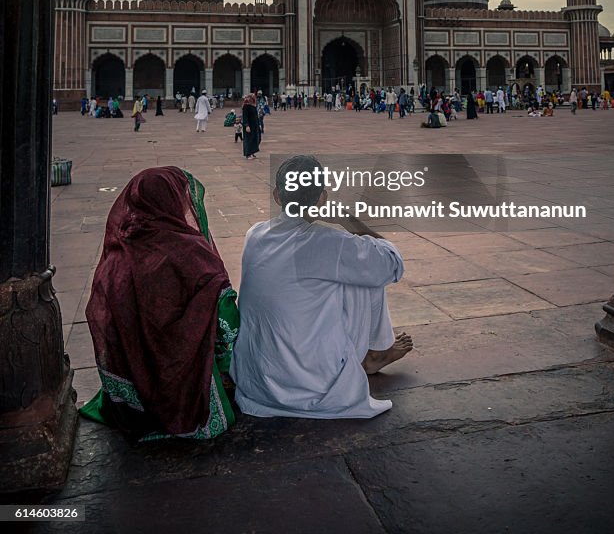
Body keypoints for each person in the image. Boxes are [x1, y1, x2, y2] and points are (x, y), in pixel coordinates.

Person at [231, 155, 412, 419]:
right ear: (322, 197)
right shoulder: (325, 241)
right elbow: (392, 263)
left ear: (277, 196)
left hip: (257, 380)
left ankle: (373, 353)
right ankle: (375, 353)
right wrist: (350, 222)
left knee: (353, 269)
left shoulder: (255, 233)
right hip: (311, 384)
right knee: (369, 272)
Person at [80, 167, 239, 440]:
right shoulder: (191, 253)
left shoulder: (121, 249)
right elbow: (225, 317)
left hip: (130, 376)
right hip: (181, 374)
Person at [242, 93, 260, 159]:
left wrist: (258, 124)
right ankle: (248, 154)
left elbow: (256, 116)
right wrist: (246, 125)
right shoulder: (246, 106)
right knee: (248, 140)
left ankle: (252, 152)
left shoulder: (253, 106)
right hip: (249, 126)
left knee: (255, 139)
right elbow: (245, 117)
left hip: (254, 125)